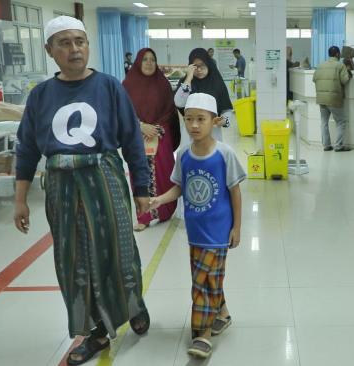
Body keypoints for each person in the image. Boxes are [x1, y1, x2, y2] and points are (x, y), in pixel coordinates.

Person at [12, 16, 151, 366]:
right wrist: (20, 199)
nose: (74, 49)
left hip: (105, 179)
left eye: (80, 41)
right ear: (49, 50)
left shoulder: (108, 87)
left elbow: (132, 139)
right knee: (74, 261)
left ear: (88, 45)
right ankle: (95, 332)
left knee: (119, 251)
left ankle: (132, 304)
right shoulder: (41, 96)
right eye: (64, 42)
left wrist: (142, 188)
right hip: (61, 186)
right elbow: (26, 149)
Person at [149, 92, 245, 359]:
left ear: (214, 121)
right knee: (210, 278)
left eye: (200, 119)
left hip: (217, 231)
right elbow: (179, 187)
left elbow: (235, 192)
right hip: (195, 232)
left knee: (200, 283)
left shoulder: (224, 154)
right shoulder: (184, 155)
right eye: (189, 119)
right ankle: (222, 314)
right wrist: (158, 199)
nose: (193, 125)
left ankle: (201, 334)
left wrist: (237, 227)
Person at [122, 48, 180, 232]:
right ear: (138, 62)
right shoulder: (127, 85)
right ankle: (144, 215)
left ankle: (165, 210)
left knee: (164, 174)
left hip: (160, 134)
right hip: (137, 137)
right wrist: (140, 126)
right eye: (145, 59)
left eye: (152, 60)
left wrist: (156, 129)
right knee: (140, 174)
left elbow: (170, 111)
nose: (148, 63)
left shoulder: (162, 84)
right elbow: (123, 112)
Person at [174, 48, 233, 142]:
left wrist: (224, 120)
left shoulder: (217, 82)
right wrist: (189, 77)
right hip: (191, 135)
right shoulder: (186, 82)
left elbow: (227, 110)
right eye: (195, 66)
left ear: (208, 64)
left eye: (202, 65)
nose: (199, 69)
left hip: (212, 134)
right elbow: (179, 103)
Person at [313, 46, 352, 152]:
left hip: (321, 98)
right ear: (337, 54)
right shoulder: (340, 65)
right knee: (341, 121)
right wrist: (348, 71)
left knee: (324, 122)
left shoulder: (320, 65)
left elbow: (314, 79)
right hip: (333, 98)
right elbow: (345, 80)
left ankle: (326, 145)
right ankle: (338, 146)